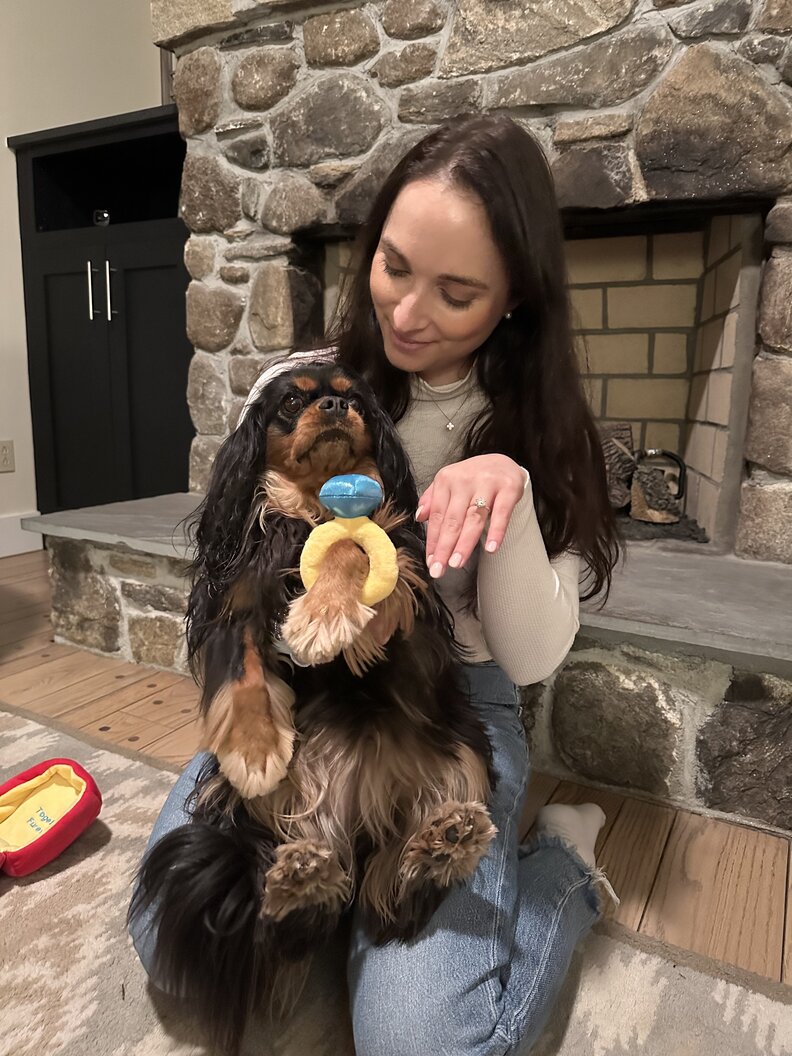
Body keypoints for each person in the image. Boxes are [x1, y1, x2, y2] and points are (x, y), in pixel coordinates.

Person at [130, 113, 622, 1055]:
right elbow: (231, 588)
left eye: (458, 292)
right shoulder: (295, 386)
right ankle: (338, 897)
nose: (405, 314)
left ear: (516, 298)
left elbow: (529, 655)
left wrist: (509, 495)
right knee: (174, 935)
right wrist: (244, 696)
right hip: (296, 691)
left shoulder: (548, 430)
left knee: (420, 1044)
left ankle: (558, 860)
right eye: (394, 267)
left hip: (446, 707)